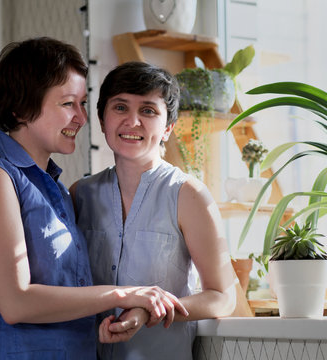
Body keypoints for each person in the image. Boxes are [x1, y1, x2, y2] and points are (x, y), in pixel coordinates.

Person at [0, 38, 188, 360]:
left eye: (82, 103)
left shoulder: (60, 190)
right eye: (67, 104)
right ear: (21, 108)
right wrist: (124, 294)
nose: (81, 117)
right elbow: (15, 303)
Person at [71, 61, 237, 360]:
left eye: (148, 111)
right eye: (120, 107)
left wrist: (147, 310)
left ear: (168, 128)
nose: (132, 122)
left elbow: (223, 297)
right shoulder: (79, 194)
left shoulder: (190, 195)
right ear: (102, 118)